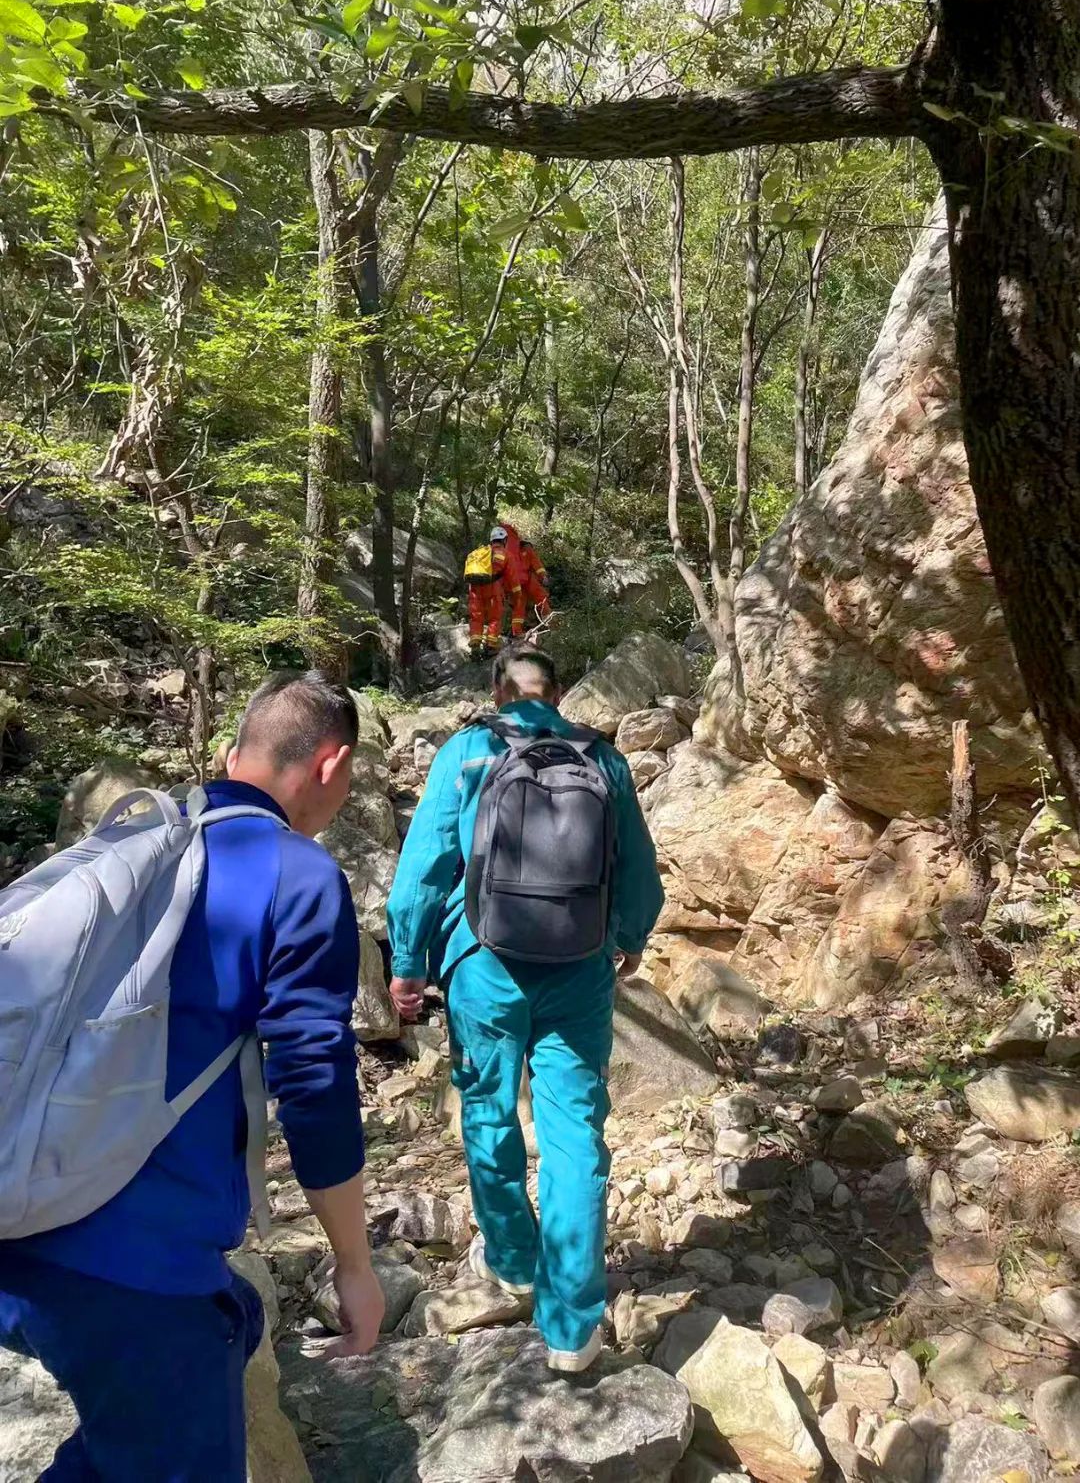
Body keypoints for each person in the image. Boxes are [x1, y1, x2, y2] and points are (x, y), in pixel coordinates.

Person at [0, 670, 384, 1481]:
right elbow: (314, 1081)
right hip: (132, 1256)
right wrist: (354, 1264)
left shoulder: (124, 846)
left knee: (233, 1323)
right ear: (329, 765)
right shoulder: (299, 874)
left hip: (20, 1199)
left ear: (231, 749)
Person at [386, 647, 664, 1373]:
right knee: (574, 1135)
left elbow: (422, 872)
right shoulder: (602, 760)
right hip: (578, 969)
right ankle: (573, 1328)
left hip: (484, 964)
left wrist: (409, 965)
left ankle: (513, 1259)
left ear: (496, 691)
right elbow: (638, 868)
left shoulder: (468, 751)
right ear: (560, 693)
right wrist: (627, 937)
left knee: (487, 1108)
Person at [464, 526, 518, 657]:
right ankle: (491, 646)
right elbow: (512, 578)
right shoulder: (506, 554)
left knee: (476, 617)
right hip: (493, 589)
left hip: (475, 589)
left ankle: (475, 645)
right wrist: (516, 594)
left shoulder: (480, 552)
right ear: (504, 540)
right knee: (495, 618)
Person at [500, 522, 551, 638]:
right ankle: (550, 620)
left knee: (519, 606)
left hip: (512, 583)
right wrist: (543, 576)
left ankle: (517, 632)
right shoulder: (526, 548)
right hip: (527, 580)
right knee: (540, 596)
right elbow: (536, 564)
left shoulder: (500, 550)